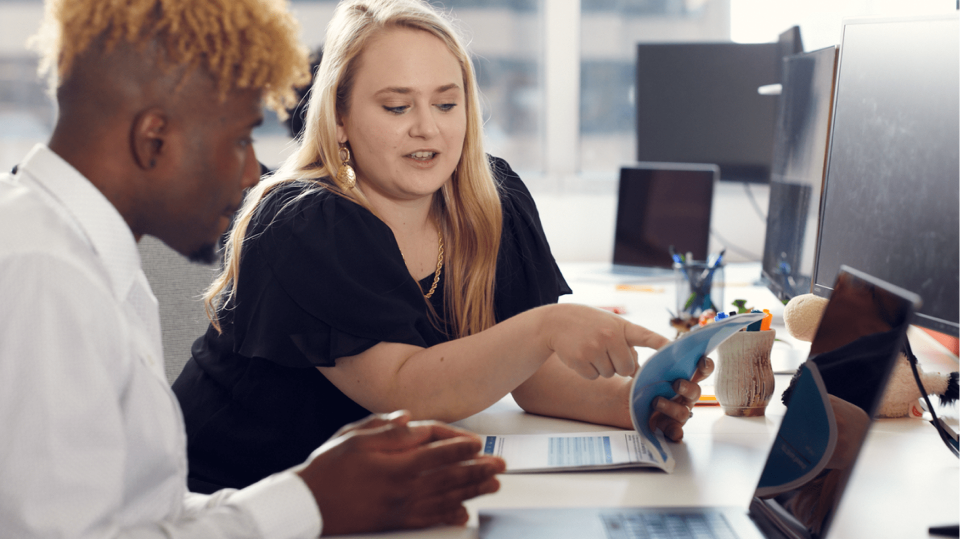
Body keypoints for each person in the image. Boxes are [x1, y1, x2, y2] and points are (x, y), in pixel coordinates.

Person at [0, 0, 504, 537]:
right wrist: (311, 501)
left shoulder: (86, 261)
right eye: (240, 139)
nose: (248, 175)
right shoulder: (43, 275)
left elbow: (144, 515)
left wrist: (314, 489)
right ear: (154, 139)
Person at [173, 0, 712, 493]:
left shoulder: (492, 200)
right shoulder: (302, 222)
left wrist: (633, 401)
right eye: (396, 107)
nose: (427, 129)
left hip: (369, 499)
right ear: (339, 119)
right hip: (237, 499)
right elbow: (407, 391)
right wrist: (549, 325)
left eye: (446, 104)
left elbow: (531, 373)